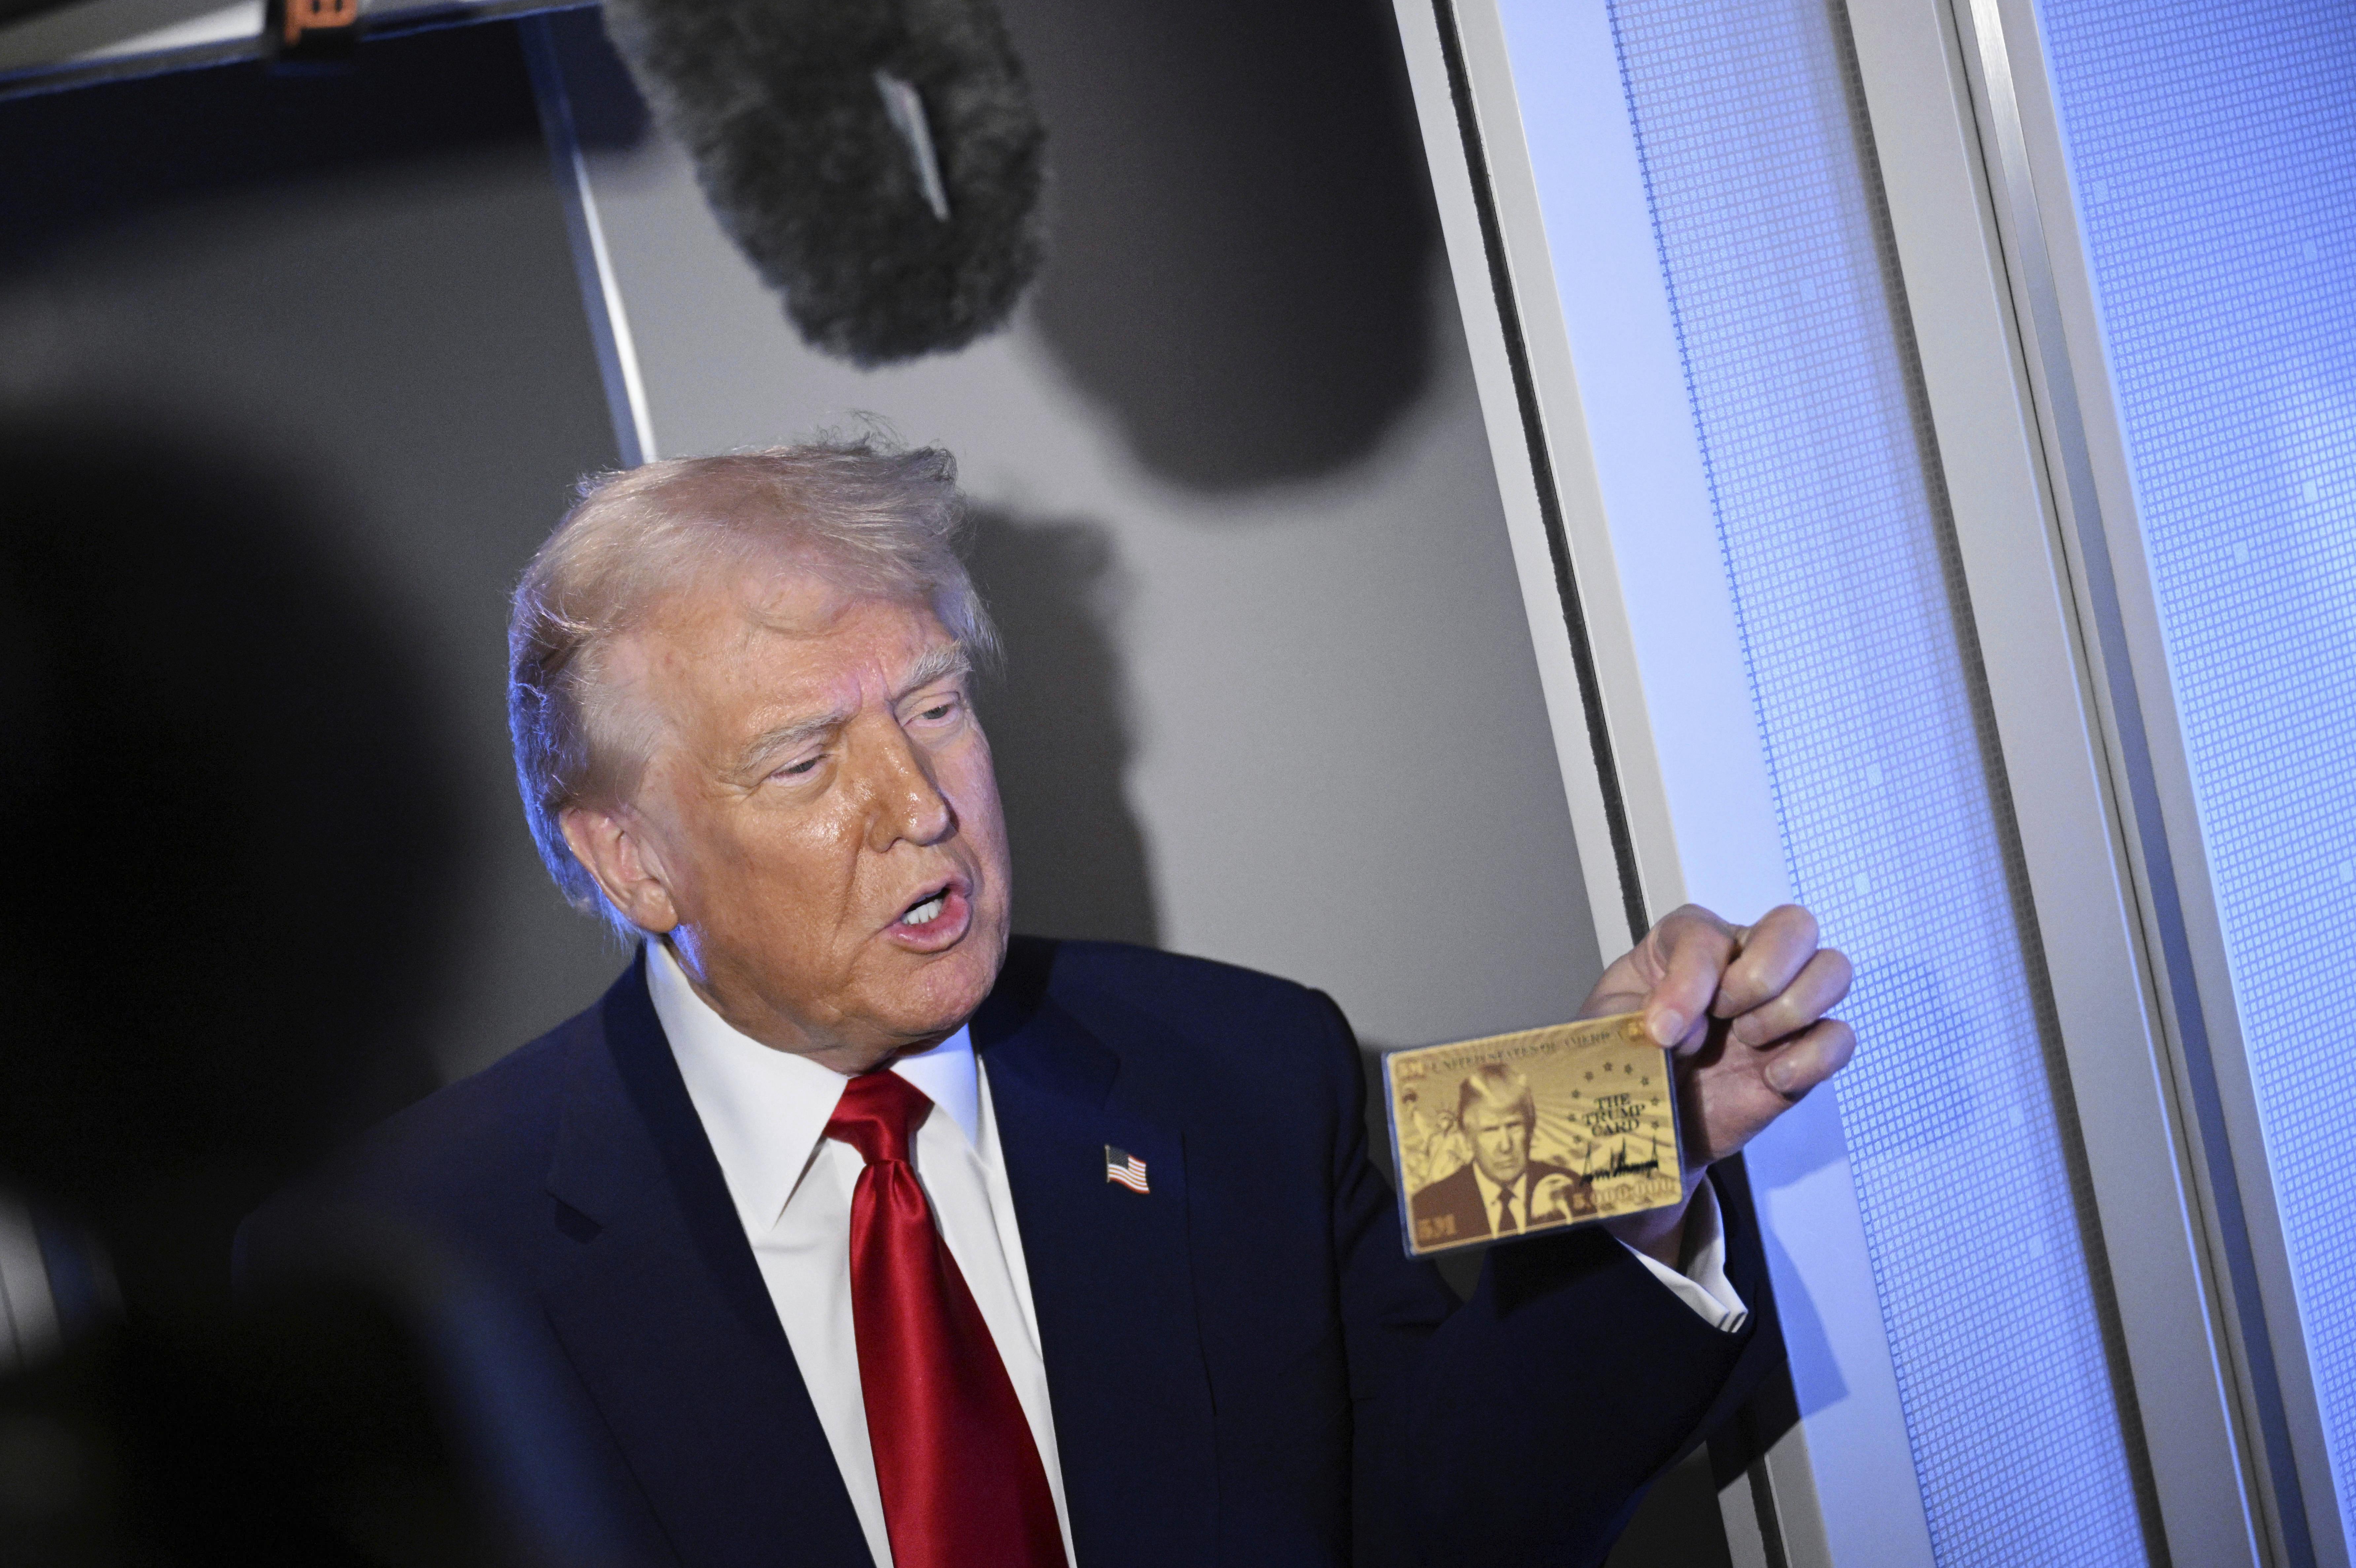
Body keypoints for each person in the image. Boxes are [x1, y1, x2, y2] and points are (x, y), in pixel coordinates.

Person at [242, 440, 1854, 1568]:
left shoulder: (1245, 1069)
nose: (920, 804)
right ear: (630, 858)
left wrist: (1631, 1162)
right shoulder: (408, 1256)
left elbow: (1442, 1522)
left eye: (934, 706)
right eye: (804, 759)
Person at [1408, 1066, 1593, 1248]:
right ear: (1467, 1136)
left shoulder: (1573, 1187)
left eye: (1514, 1126)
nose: (1505, 1146)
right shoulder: (1428, 1205)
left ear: (1531, 1128)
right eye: (1490, 1130)